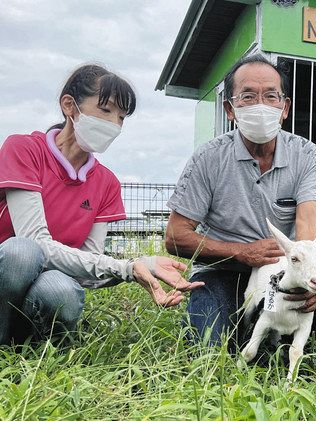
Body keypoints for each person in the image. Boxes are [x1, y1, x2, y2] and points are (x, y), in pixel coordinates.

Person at [165, 54, 316, 347]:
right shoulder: (209, 158)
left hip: (283, 269)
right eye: (248, 96)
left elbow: (308, 221)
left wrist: (311, 272)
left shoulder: (305, 153)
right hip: (224, 269)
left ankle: (300, 328)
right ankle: (213, 315)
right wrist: (241, 252)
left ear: (285, 108)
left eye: (271, 96)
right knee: (211, 350)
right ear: (230, 109)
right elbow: (175, 237)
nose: (261, 105)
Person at [0, 64, 203, 345]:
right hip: (8, 275)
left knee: (63, 290)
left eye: (121, 117)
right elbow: (35, 242)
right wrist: (126, 267)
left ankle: (37, 352)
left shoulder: (106, 183)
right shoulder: (24, 150)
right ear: (69, 106)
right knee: (23, 252)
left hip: (46, 283)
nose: (114, 124)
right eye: (105, 110)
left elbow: (87, 271)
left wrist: (141, 267)